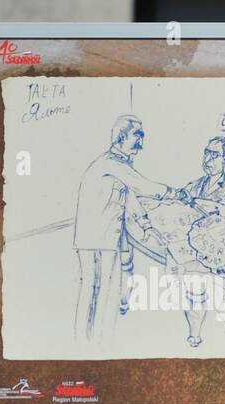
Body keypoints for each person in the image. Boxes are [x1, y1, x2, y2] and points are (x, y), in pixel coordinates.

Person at [73, 114, 178, 343]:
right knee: (95, 291)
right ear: (121, 136)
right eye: (137, 136)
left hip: (102, 238)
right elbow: (143, 186)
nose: (140, 143)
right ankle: (87, 343)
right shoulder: (111, 163)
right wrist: (174, 193)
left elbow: (130, 199)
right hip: (97, 238)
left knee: (98, 291)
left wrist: (146, 225)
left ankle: (89, 341)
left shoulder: (118, 165)